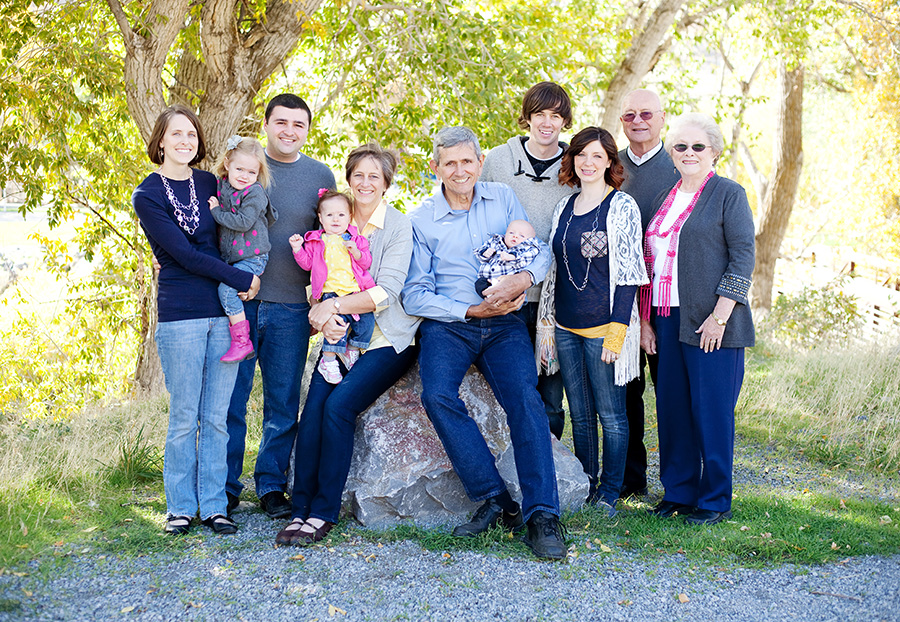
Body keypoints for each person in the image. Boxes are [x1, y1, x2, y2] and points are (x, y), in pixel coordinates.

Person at [402, 126, 566, 561]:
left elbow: (539, 251)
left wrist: (522, 279)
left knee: (525, 400)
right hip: (451, 324)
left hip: (505, 324)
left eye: (466, 161)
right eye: (449, 163)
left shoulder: (502, 198)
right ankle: (495, 498)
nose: (460, 170)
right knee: (437, 394)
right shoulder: (421, 219)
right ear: (435, 167)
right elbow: (414, 293)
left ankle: (543, 515)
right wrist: (470, 310)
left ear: (479, 162)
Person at [274, 143, 420, 546]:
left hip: (386, 339)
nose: (365, 182)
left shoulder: (398, 226)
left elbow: (387, 291)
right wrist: (322, 313)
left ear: (386, 183)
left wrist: (333, 306)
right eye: (359, 175)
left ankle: (323, 512)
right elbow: (317, 278)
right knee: (313, 412)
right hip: (339, 337)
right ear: (349, 179)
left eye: (375, 176)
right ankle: (300, 508)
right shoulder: (335, 218)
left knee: (339, 408)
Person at [132, 105, 260, 536]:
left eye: (192, 134)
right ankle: (181, 508)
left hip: (225, 314)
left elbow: (242, 224)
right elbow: (183, 255)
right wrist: (243, 278)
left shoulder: (209, 183)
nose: (185, 141)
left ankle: (215, 506)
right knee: (185, 416)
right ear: (161, 140)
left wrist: (253, 265)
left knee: (217, 417)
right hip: (181, 315)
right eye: (176, 134)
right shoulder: (147, 194)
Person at [640, 112, 755, 526]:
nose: (689, 153)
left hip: (711, 322)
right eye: (681, 147)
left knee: (711, 412)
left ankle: (714, 500)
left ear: (714, 152)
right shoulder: (663, 197)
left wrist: (719, 317)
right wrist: (646, 321)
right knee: (672, 409)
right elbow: (648, 263)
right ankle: (678, 492)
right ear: (671, 153)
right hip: (665, 318)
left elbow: (743, 258)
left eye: (697, 146)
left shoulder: (728, 194)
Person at [225, 94, 336, 519]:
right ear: (266, 125)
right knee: (231, 401)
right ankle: (225, 488)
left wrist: (322, 301)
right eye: (281, 122)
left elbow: (328, 241)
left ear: (307, 130)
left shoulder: (319, 176)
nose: (289, 131)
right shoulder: (245, 167)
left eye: (298, 124)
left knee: (283, 404)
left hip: (291, 307)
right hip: (240, 303)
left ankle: (271, 485)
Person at [535, 127, 647, 517]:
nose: (588, 162)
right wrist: (548, 322)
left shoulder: (622, 206)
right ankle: (586, 483)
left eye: (597, 156)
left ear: (610, 162)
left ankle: (610, 493)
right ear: (572, 160)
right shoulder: (564, 208)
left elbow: (631, 273)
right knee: (581, 416)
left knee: (612, 416)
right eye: (581, 154)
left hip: (604, 330)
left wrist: (618, 331)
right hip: (565, 327)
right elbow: (554, 269)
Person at [481, 82, 574, 440]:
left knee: (551, 396)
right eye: (539, 114)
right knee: (510, 391)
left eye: (555, 115)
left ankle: (553, 465)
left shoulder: (575, 164)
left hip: (554, 298)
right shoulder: (498, 160)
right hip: (507, 295)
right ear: (527, 118)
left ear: (565, 121)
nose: (547, 123)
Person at [617, 89, 680, 498]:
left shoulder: (680, 164)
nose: (638, 121)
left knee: (671, 391)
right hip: (619, 301)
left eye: (646, 114)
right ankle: (629, 478)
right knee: (624, 390)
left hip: (666, 299)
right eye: (629, 115)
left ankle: (679, 484)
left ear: (661, 117)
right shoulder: (609, 165)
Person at [289, 189, 376, 384]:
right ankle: (328, 361)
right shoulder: (316, 240)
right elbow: (307, 264)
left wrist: (356, 252)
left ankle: (352, 350)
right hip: (330, 292)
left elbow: (366, 263)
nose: (335, 219)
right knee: (337, 327)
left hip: (354, 292)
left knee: (366, 322)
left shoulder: (355, 240)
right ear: (321, 218)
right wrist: (297, 249)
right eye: (329, 215)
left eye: (341, 215)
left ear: (349, 217)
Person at [208, 135, 276, 363]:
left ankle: (242, 342)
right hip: (233, 258)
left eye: (251, 172)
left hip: (253, 257)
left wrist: (216, 212)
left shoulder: (255, 192)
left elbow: (244, 222)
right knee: (226, 289)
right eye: (239, 169)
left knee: (227, 290)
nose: (244, 176)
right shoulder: (222, 185)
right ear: (227, 164)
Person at [474, 219, 543, 298]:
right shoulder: (496, 241)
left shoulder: (527, 248)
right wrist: (485, 253)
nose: (515, 236)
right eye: (511, 233)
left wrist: (512, 257)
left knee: (516, 291)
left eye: (521, 236)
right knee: (479, 284)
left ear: (529, 240)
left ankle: (499, 299)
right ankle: (489, 296)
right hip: (488, 279)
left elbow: (526, 259)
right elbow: (480, 255)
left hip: (510, 283)